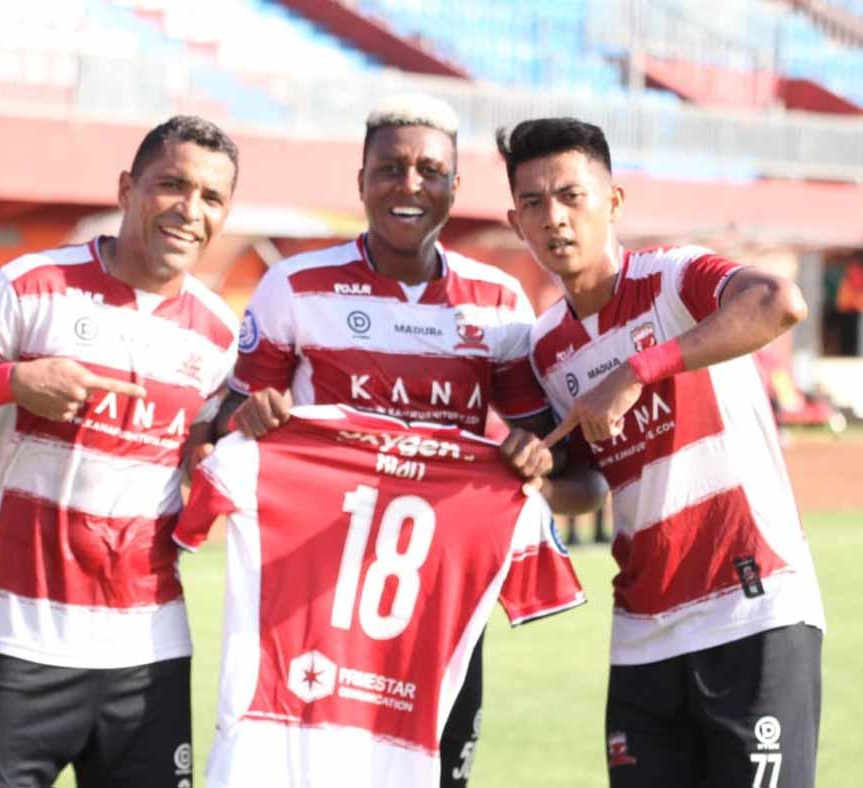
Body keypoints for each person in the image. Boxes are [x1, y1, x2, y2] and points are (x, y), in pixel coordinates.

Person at [211, 94, 607, 788]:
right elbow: (224, 431)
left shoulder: (497, 303)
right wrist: (245, 422)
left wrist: (533, 460)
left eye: (430, 170)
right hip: (310, 599)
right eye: (390, 168)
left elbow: (560, 464)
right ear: (361, 180)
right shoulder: (292, 287)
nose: (410, 184)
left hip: (439, 600)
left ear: (455, 186)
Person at [0, 115, 241, 788]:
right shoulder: (32, 284)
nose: (190, 211)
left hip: (150, 656)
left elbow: (206, 461)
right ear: (127, 188)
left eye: (212, 198)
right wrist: (13, 381)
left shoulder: (221, 336)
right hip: (18, 647)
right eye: (173, 185)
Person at [496, 117, 825, 788]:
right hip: (643, 631)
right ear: (516, 220)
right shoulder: (544, 346)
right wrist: (542, 476)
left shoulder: (672, 277)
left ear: (613, 202)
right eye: (533, 204)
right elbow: (587, 486)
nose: (554, 218)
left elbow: (778, 301)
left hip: (753, 608)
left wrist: (638, 369)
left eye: (570, 195)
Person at [178, 404, 586, 788]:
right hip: (398, 758)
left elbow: (199, 496)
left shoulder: (255, 454)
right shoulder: (503, 493)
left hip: (266, 743)